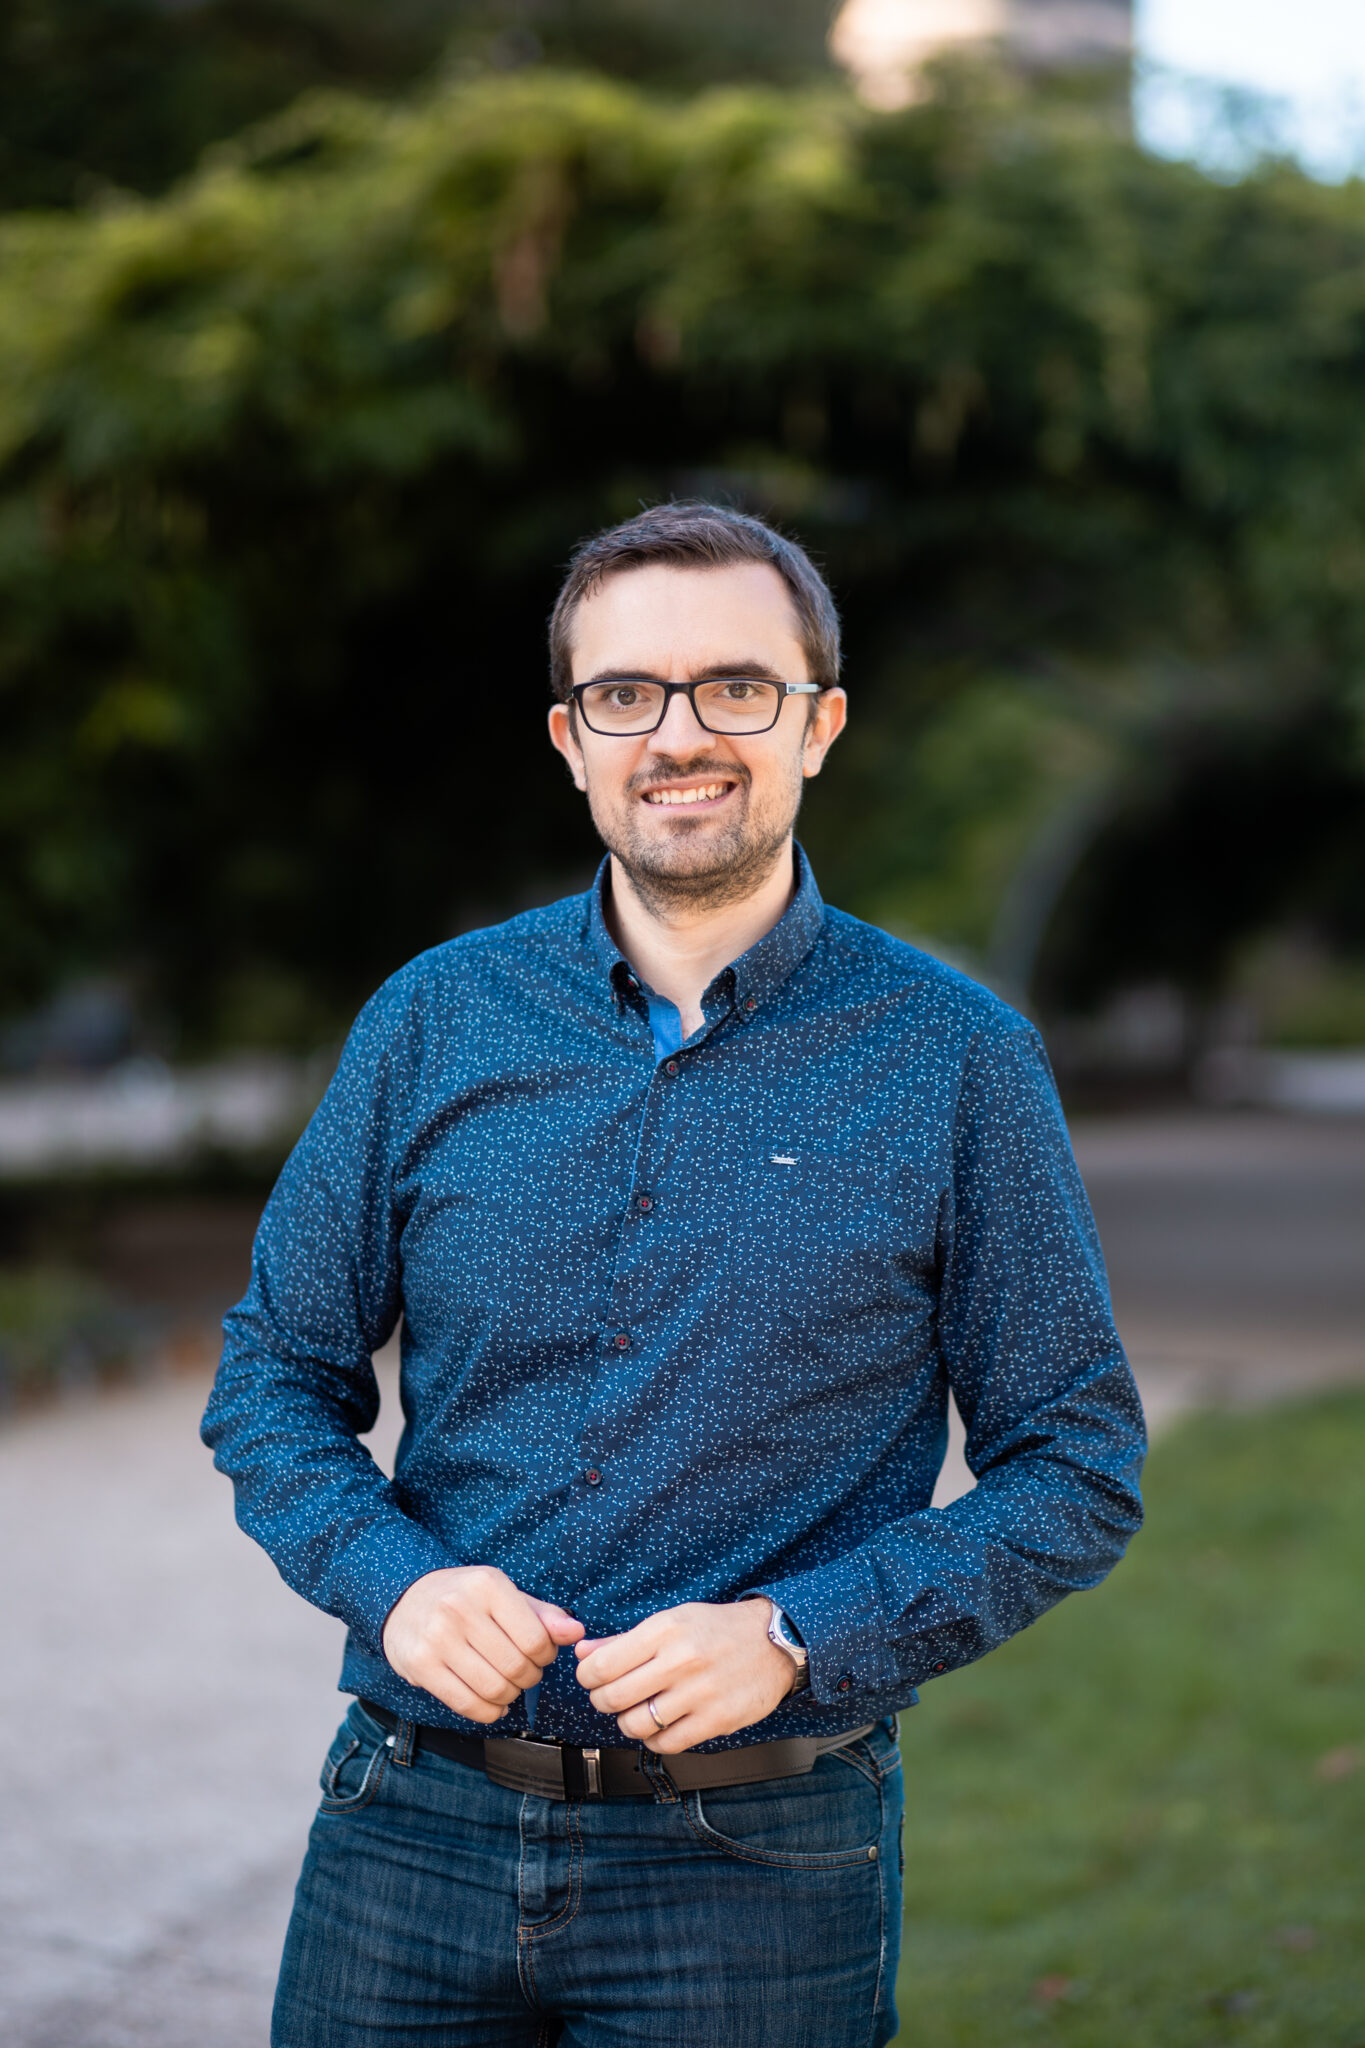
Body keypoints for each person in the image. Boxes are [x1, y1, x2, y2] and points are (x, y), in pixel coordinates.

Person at [202, 501, 1145, 2048]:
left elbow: (1077, 1464)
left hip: (757, 1866)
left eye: (735, 687)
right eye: (626, 695)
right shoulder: (434, 1020)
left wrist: (795, 1634)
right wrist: (397, 1580)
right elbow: (273, 1379)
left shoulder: (956, 1060)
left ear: (817, 724)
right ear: (571, 739)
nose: (678, 735)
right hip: (407, 1825)